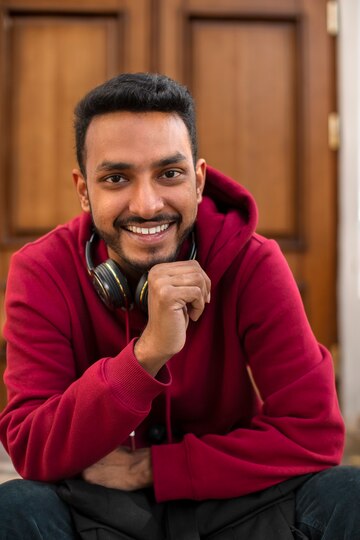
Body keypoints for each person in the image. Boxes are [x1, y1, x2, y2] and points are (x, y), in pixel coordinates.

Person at [0, 72, 358, 539]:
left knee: (349, 494)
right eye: (116, 178)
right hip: (97, 513)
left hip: (233, 505)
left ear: (199, 180)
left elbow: (316, 434)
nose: (147, 205)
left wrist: (155, 468)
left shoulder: (253, 262)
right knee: (15, 507)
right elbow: (31, 447)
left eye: (169, 174)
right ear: (84, 190)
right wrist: (146, 355)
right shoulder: (40, 270)